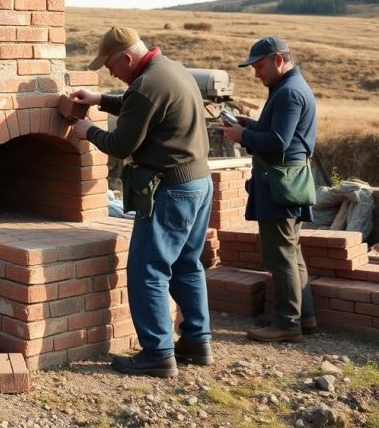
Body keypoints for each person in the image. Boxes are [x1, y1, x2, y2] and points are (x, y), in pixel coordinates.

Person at [70, 27, 214, 378]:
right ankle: (197, 341)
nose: (110, 72)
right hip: (198, 183)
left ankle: (157, 354)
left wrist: (87, 130)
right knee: (186, 264)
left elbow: (121, 144)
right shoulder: (171, 71)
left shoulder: (147, 86)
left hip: (172, 190)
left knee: (148, 269)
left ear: (127, 58)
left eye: (110, 66)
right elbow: (139, 106)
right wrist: (100, 99)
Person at [222, 36, 317, 342]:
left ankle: (288, 324)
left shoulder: (289, 93)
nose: (256, 73)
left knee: (280, 256)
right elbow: (278, 133)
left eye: (260, 66)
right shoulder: (289, 88)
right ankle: (306, 317)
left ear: (278, 60)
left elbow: (279, 142)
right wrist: (250, 124)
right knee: (291, 252)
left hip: (280, 184)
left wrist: (242, 137)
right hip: (285, 182)